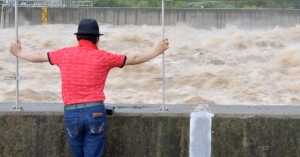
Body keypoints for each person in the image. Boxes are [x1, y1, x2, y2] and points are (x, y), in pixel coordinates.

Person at [9, 18, 169, 157]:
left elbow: (38, 57)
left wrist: (18, 52)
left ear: (78, 38)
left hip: (71, 112)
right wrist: (157, 50)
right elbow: (133, 59)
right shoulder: (104, 57)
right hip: (95, 112)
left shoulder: (63, 54)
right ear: (97, 38)